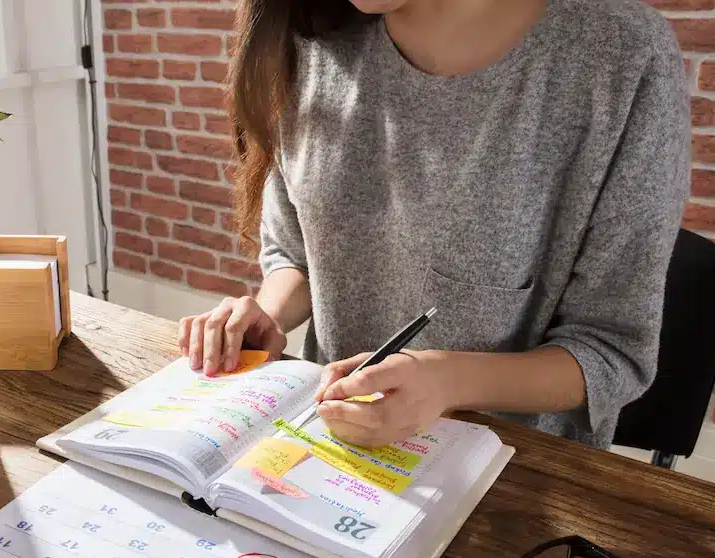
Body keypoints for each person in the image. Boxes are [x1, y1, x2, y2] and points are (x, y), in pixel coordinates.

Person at [178, 0, 690, 449]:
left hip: (511, 475)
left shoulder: (620, 56)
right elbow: (297, 255)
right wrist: (266, 317)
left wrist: (447, 381)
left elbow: (611, 350)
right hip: (326, 444)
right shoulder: (312, 37)